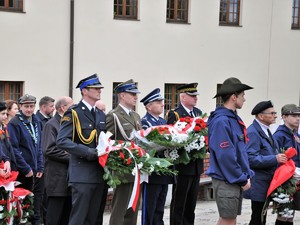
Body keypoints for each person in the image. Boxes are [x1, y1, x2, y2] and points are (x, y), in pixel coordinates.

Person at [56, 74, 106, 225]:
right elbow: (62, 141)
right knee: (79, 218)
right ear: (85, 91)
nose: (99, 91)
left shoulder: (100, 113)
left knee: (94, 218)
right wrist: (88, 152)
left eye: (99, 88)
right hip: (82, 174)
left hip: (99, 173)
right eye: (96, 88)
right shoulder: (74, 112)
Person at [206, 77, 254, 225]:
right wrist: (240, 178)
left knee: (228, 218)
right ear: (234, 97)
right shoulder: (222, 121)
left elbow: (239, 151)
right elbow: (225, 156)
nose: (244, 99)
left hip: (232, 177)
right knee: (228, 219)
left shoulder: (231, 119)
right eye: (242, 95)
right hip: (227, 178)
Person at [244, 100, 287, 225]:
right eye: (272, 113)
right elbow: (250, 158)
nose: (275, 116)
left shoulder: (265, 129)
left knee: (261, 217)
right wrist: (275, 159)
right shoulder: (253, 131)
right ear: (261, 116)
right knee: (258, 218)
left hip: (265, 182)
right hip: (258, 183)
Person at [166, 83, 203, 225]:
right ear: (183, 96)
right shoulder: (175, 114)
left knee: (191, 203)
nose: (195, 98)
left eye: (196, 96)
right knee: (179, 202)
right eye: (192, 96)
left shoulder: (199, 113)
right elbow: (171, 139)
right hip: (182, 165)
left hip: (196, 165)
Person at [107, 79, 142, 225]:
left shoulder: (136, 116)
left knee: (133, 209)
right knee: (120, 209)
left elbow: (140, 140)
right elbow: (107, 142)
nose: (136, 97)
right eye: (132, 94)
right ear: (122, 95)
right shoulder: (113, 115)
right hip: (122, 168)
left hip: (137, 169)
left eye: (136, 94)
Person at [7, 94, 44, 225]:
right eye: (26, 106)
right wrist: (26, 167)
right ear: (21, 106)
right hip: (22, 171)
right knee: (22, 205)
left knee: (35, 203)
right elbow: (14, 149)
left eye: (32, 106)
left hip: (35, 170)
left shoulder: (36, 121)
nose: (29, 109)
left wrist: (40, 166)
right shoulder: (15, 123)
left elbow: (39, 145)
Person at [140, 88, 175, 225]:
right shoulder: (145, 122)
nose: (162, 104)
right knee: (150, 208)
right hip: (152, 171)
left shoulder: (162, 121)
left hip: (164, 170)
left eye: (162, 101)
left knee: (160, 208)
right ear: (149, 106)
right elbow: (147, 145)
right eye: (158, 102)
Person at [42, 96, 74, 225]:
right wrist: (73, 157)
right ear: (63, 108)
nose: (74, 108)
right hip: (57, 178)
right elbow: (49, 149)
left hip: (69, 177)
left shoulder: (68, 123)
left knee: (67, 216)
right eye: (72, 105)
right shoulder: (52, 124)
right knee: (54, 217)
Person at [273, 104, 300, 225]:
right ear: (284, 117)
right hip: (285, 181)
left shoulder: (295, 134)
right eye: (294, 115)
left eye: (299, 115)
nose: (298, 118)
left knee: (291, 214)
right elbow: (277, 159)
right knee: (284, 214)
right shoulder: (279, 136)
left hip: (296, 180)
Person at [0, 101, 13, 177]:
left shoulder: (3, 128)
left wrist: (7, 160)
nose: (5, 116)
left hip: (5, 168)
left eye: (6, 114)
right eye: (3, 114)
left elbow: (7, 147)